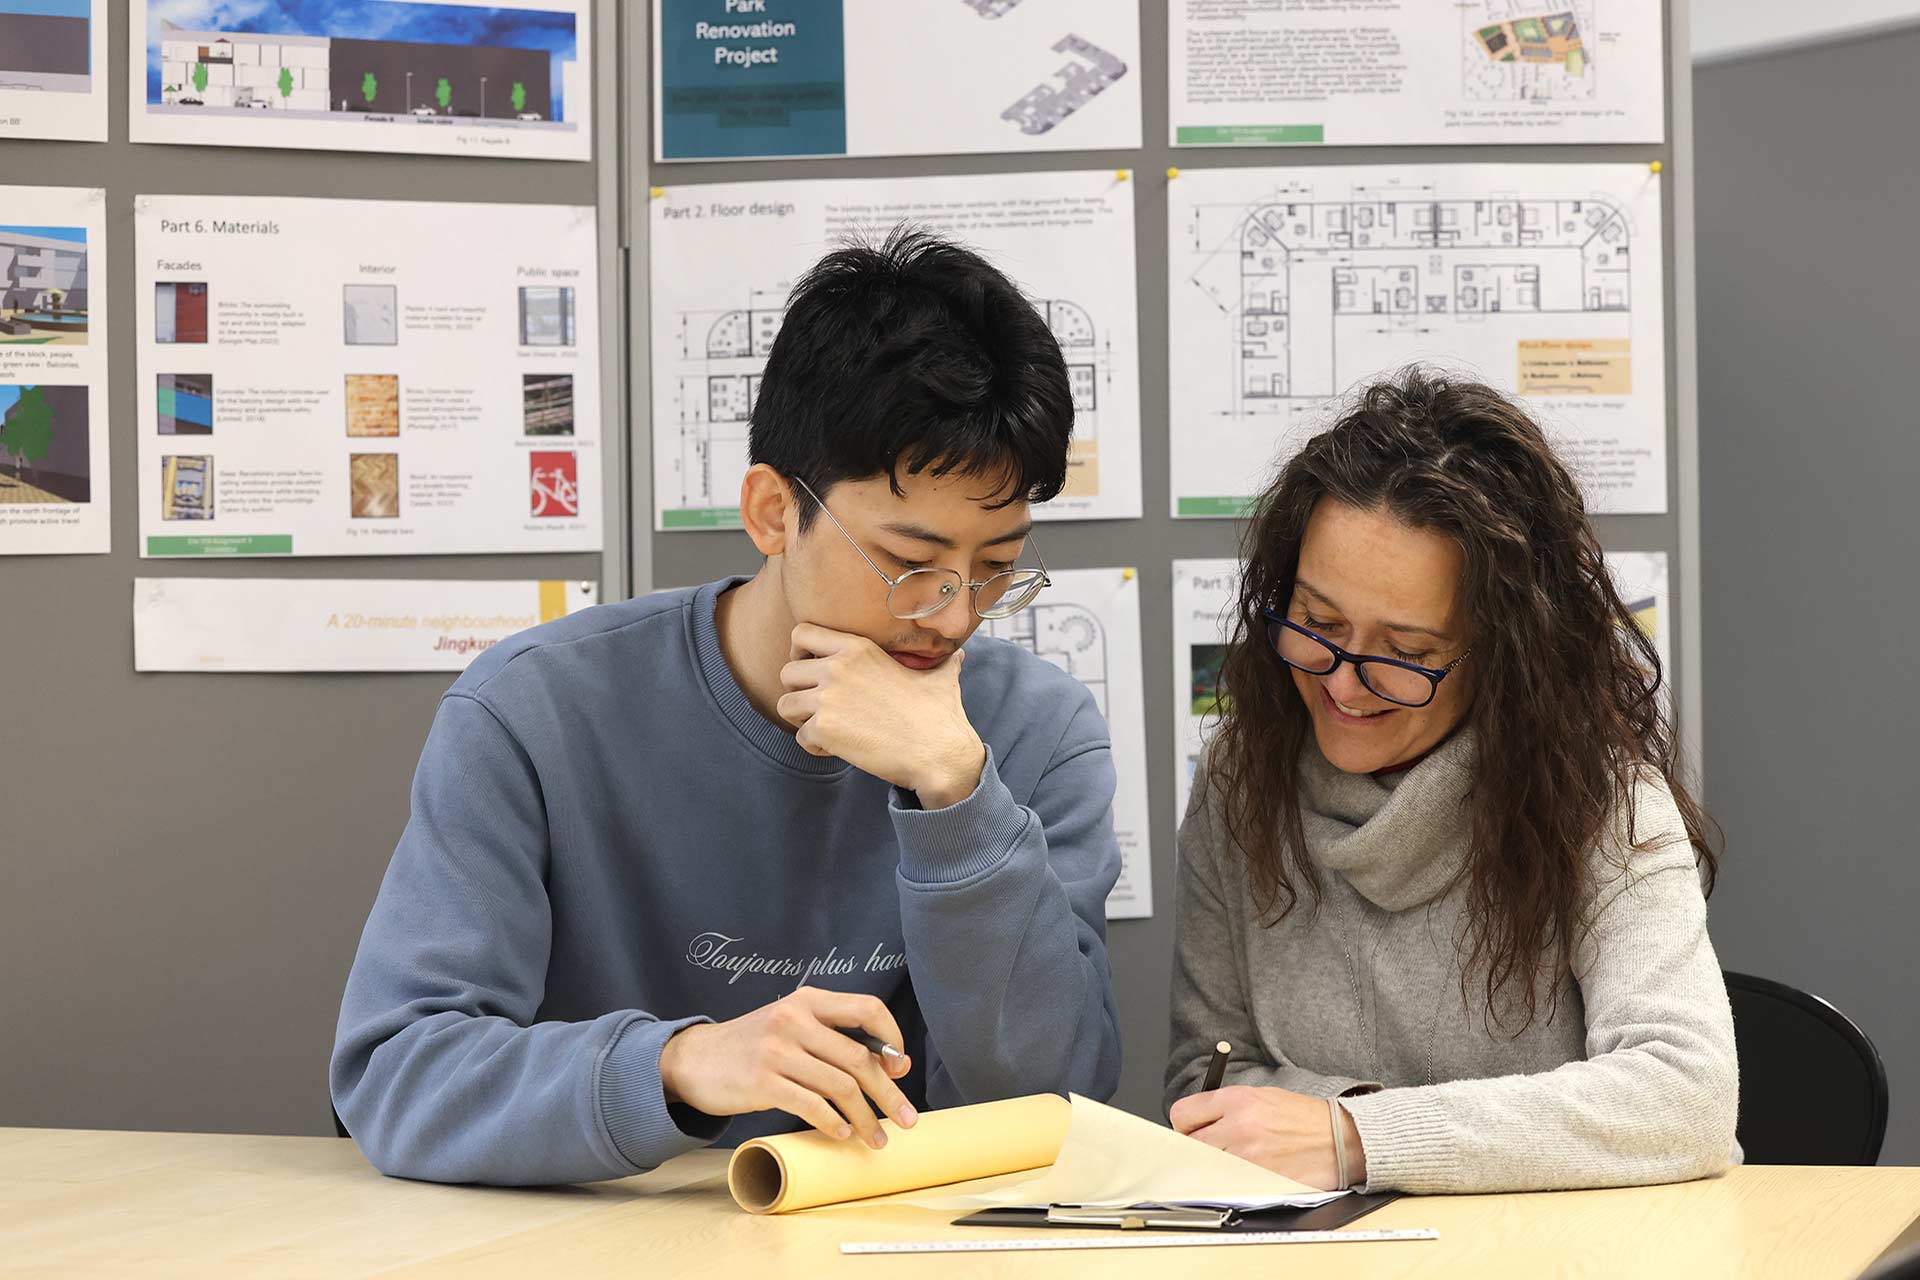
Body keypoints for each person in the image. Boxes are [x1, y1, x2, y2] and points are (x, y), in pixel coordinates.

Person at [332, 228, 1123, 1186]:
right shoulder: (534, 709)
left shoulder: (1039, 732)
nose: (952, 616)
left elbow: (1051, 1104)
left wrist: (959, 796)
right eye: (910, 564)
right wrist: (680, 1064)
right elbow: (395, 1074)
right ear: (772, 513)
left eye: (995, 568)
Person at [1165, 369, 1738, 1194]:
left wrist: (1357, 1134)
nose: (1344, 684)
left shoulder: (1598, 797)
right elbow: (1205, 1086)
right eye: (1318, 625)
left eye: (1406, 655)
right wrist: (1357, 1126)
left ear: (1506, 658)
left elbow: (1687, 1098)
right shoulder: (1239, 781)